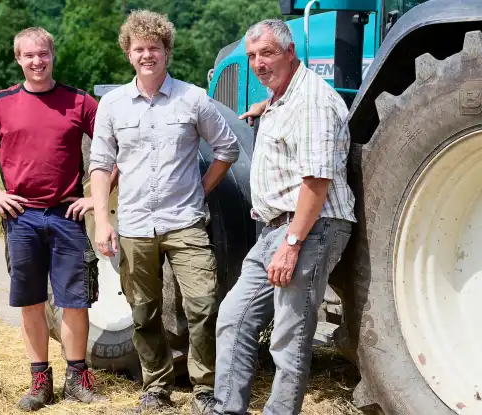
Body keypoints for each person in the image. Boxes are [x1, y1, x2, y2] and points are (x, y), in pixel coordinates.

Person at [0, 26, 114, 412]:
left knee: (75, 301)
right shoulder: (1, 103)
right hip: (21, 217)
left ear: (52, 55)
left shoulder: (80, 101)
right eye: (29, 56)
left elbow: (114, 148)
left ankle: (78, 379)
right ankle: (40, 382)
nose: (37, 61)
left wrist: (95, 197)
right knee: (32, 301)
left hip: (66, 215)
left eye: (43, 54)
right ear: (18, 59)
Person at [88, 9, 240, 415]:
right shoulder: (114, 105)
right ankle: (156, 386)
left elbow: (227, 149)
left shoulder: (193, 99)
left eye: (154, 47)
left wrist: (200, 190)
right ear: (128, 53)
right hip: (135, 224)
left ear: (166, 51)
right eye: (139, 48)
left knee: (204, 304)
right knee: (143, 312)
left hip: (186, 221)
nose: (147, 55)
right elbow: (101, 166)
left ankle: (204, 388)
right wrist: (103, 221)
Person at [212, 19, 356, 415]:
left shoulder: (312, 101)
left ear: (291, 53)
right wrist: (266, 107)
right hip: (276, 229)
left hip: (308, 227)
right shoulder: (283, 97)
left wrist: (292, 244)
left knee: (289, 336)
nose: (258, 63)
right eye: (253, 56)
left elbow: (316, 182)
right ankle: (227, 408)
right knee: (233, 317)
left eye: (268, 53)